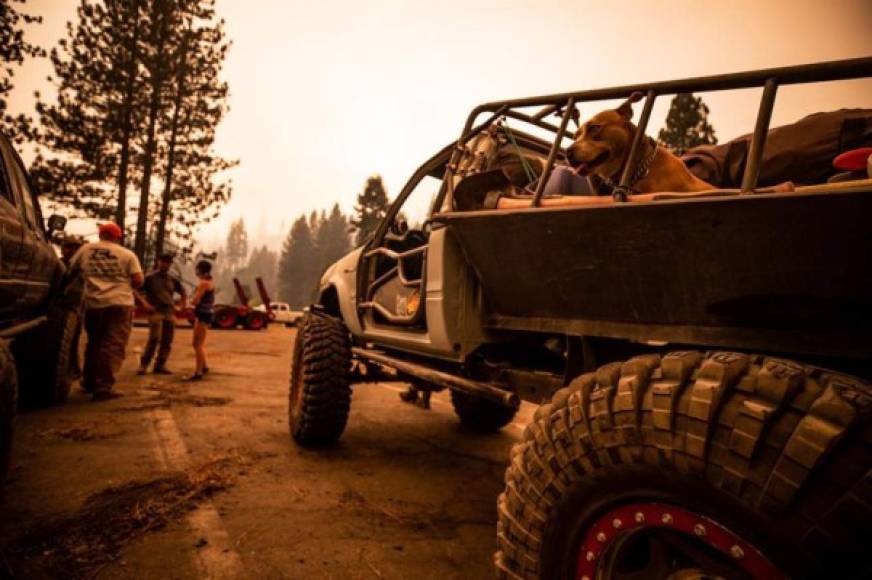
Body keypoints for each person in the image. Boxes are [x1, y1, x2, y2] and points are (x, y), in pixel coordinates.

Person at [69, 223, 143, 401]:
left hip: (94, 304)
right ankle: (103, 387)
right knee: (113, 345)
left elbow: (71, 271)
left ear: (101, 234)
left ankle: (88, 382)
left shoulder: (85, 250)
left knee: (94, 343)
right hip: (120, 303)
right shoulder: (127, 254)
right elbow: (138, 280)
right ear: (118, 236)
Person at [137, 253, 187, 375]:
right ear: (158, 262)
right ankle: (144, 364)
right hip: (156, 311)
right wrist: (144, 303)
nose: (165, 264)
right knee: (154, 338)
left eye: (168, 262)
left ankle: (160, 365)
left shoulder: (172, 279)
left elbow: (183, 292)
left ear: (170, 264)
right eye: (163, 261)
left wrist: (181, 305)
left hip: (169, 312)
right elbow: (136, 290)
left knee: (167, 340)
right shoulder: (149, 278)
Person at [60, 234, 86, 380]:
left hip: (77, 309)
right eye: (69, 247)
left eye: (76, 247)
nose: (72, 250)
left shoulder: (82, 267)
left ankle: (74, 369)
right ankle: (72, 369)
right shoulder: (58, 265)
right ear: (63, 248)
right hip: (61, 308)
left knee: (74, 339)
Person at [186, 260, 215, 381]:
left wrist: (191, 299)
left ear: (200, 270)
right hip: (204, 314)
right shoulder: (209, 282)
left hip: (203, 314)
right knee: (196, 343)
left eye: (197, 269)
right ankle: (204, 366)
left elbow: (196, 301)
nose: (195, 271)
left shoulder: (203, 283)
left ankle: (198, 372)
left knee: (198, 344)